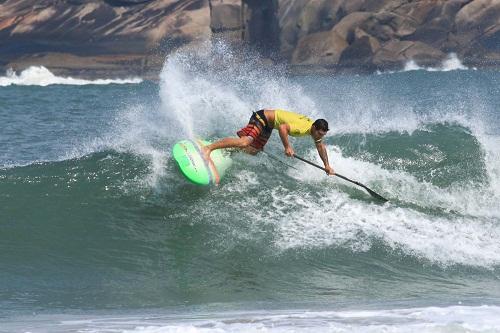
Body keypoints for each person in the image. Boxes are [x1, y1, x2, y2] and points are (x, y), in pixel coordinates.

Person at [202, 109, 334, 175]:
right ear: (314, 128)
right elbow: (283, 128)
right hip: (262, 118)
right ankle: (209, 148)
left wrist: (326, 165)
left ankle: (226, 149)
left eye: (323, 134)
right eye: (320, 133)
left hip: (268, 125)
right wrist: (287, 147)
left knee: (253, 151)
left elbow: (320, 146)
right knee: (244, 142)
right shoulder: (302, 128)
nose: (320, 136)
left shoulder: (315, 130)